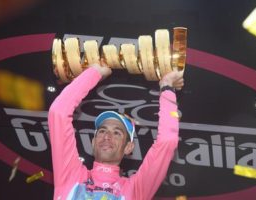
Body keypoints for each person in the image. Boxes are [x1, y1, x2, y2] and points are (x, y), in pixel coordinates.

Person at [48, 61, 184, 200]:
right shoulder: (71, 175)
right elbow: (58, 112)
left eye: (117, 133)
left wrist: (167, 87)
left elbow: (168, 140)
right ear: (93, 142)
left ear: (128, 147)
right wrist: (94, 73)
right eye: (102, 131)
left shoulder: (135, 190)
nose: (107, 136)